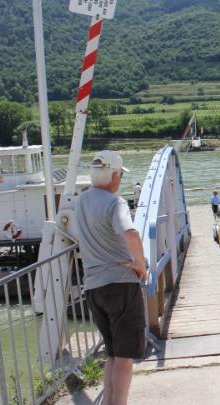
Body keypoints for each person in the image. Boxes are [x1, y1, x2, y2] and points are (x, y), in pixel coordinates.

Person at [76, 151, 147, 405]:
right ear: (115, 176)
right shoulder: (114, 202)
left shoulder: (80, 201)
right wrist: (140, 265)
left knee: (113, 354)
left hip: (93, 288)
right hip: (120, 285)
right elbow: (130, 232)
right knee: (125, 356)